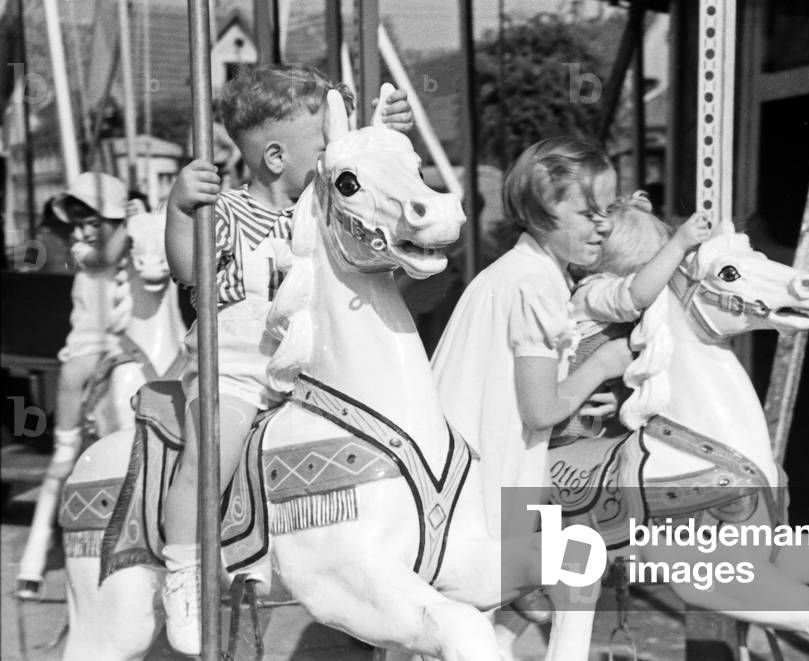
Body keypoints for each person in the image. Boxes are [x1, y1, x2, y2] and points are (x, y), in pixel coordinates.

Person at [160, 63, 413, 655]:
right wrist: (179, 210)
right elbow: (186, 270)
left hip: (309, 377)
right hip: (238, 371)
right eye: (323, 146)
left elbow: (368, 184)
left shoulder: (323, 214)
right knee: (214, 447)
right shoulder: (224, 213)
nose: (332, 158)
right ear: (276, 158)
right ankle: (185, 569)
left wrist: (388, 134)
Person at [430, 134, 634, 549]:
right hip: (489, 486)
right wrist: (605, 364)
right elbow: (541, 410)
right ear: (539, 214)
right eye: (587, 212)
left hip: (463, 475)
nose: (605, 224)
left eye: (608, 210)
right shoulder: (535, 284)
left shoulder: (520, 272)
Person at [15, 172, 145, 599]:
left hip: (122, 353)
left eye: (91, 219)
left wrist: (144, 220)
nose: (82, 228)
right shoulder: (88, 250)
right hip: (85, 358)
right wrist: (127, 225)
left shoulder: (130, 241)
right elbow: (104, 256)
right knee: (62, 462)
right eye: (78, 220)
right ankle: (33, 562)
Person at [571, 190, 712, 331]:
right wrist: (678, 245)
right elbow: (635, 296)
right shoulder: (592, 291)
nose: (656, 282)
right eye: (650, 270)